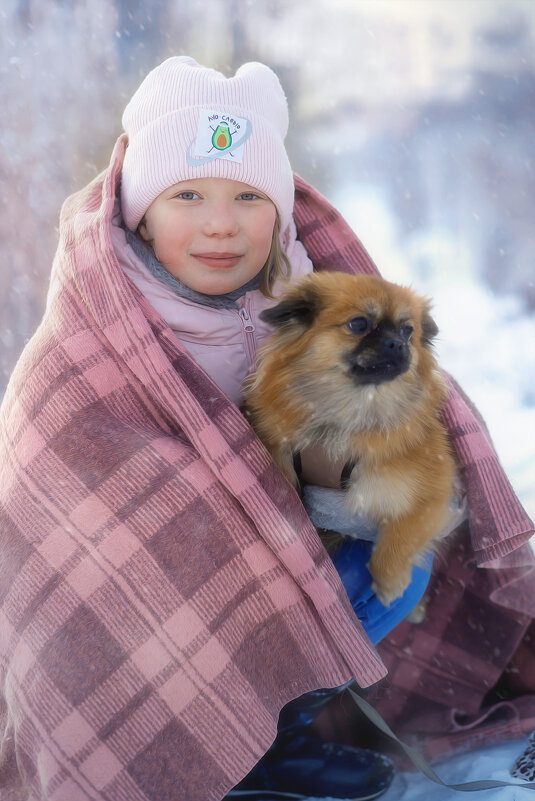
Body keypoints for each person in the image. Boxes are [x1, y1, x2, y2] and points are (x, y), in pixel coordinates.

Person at [0, 56, 533, 801]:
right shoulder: (86, 347)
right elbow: (84, 504)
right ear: (138, 210)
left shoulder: (304, 302)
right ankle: (189, 746)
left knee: (398, 564)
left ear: (279, 212)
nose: (220, 223)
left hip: (282, 561)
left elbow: (349, 454)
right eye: (187, 193)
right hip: (152, 609)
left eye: (248, 196)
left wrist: (333, 476)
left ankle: (272, 733)